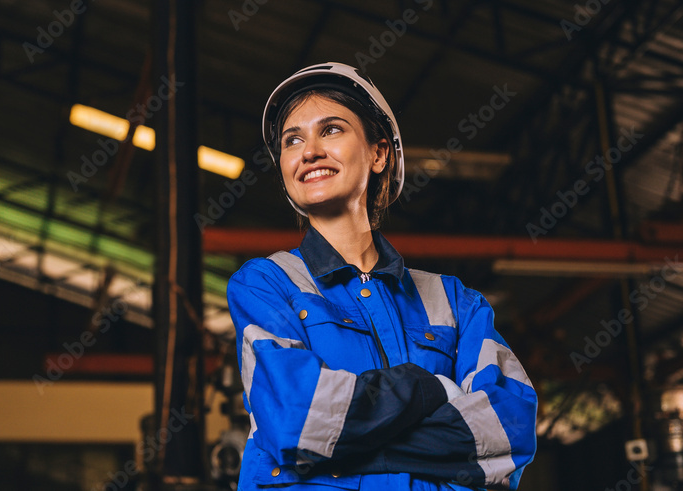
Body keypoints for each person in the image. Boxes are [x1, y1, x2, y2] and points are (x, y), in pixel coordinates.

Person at [226, 62, 537, 490]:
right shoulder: (266, 284)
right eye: (292, 140)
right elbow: (298, 421)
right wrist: (426, 386)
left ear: (379, 153)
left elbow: (508, 432)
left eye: (331, 129)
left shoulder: (456, 303)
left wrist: (341, 455)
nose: (309, 151)